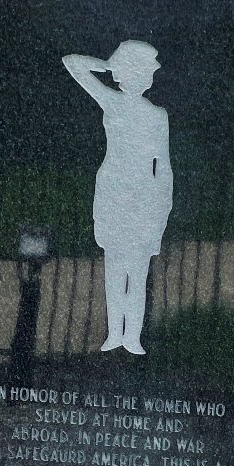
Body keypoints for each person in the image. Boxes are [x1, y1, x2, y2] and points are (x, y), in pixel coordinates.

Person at [62, 41, 173, 354]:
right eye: (145, 70)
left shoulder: (157, 116)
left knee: (136, 272)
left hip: (144, 196)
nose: (148, 76)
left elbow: (163, 164)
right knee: (114, 268)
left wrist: (163, 203)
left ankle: (132, 336)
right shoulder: (111, 101)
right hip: (113, 191)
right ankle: (114, 334)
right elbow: (72, 62)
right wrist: (112, 65)